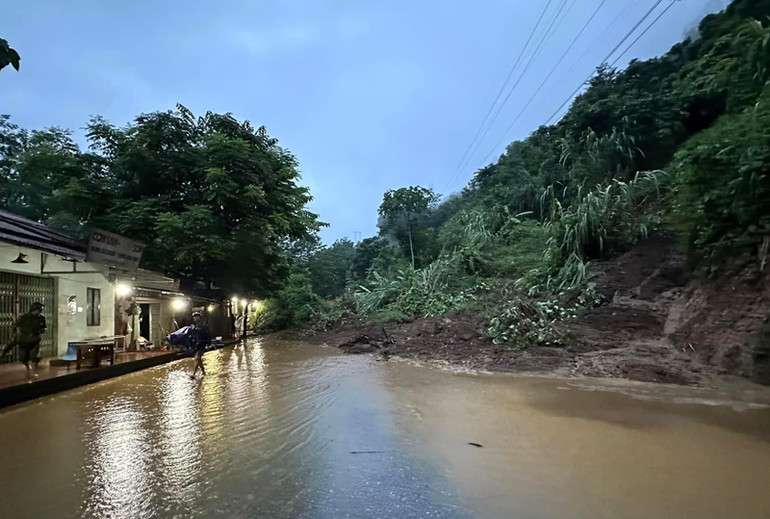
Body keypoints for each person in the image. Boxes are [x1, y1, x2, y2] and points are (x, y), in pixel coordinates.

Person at [2, 302, 47, 374]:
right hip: (24, 340)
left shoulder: (41, 318)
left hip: (34, 339)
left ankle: (33, 370)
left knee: (33, 357)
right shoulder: (24, 317)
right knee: (23, 358)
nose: (40, 311)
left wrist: (40, 331)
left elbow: (43, 328)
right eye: (39, 309)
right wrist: (17, 333)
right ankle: (28, 367)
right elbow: (16, 325)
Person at [188, 312, 210, 378]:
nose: (195, 318)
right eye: (194, 317)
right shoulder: (194, 326)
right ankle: (203, 372)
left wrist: (208, 343)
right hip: (196, 344)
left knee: (197, 358)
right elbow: (192, 335)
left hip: (202, 344)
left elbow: (208, 334)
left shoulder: (203, 325)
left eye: (196, 317)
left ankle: (193, 374)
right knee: (199, 360)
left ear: (199, 317)